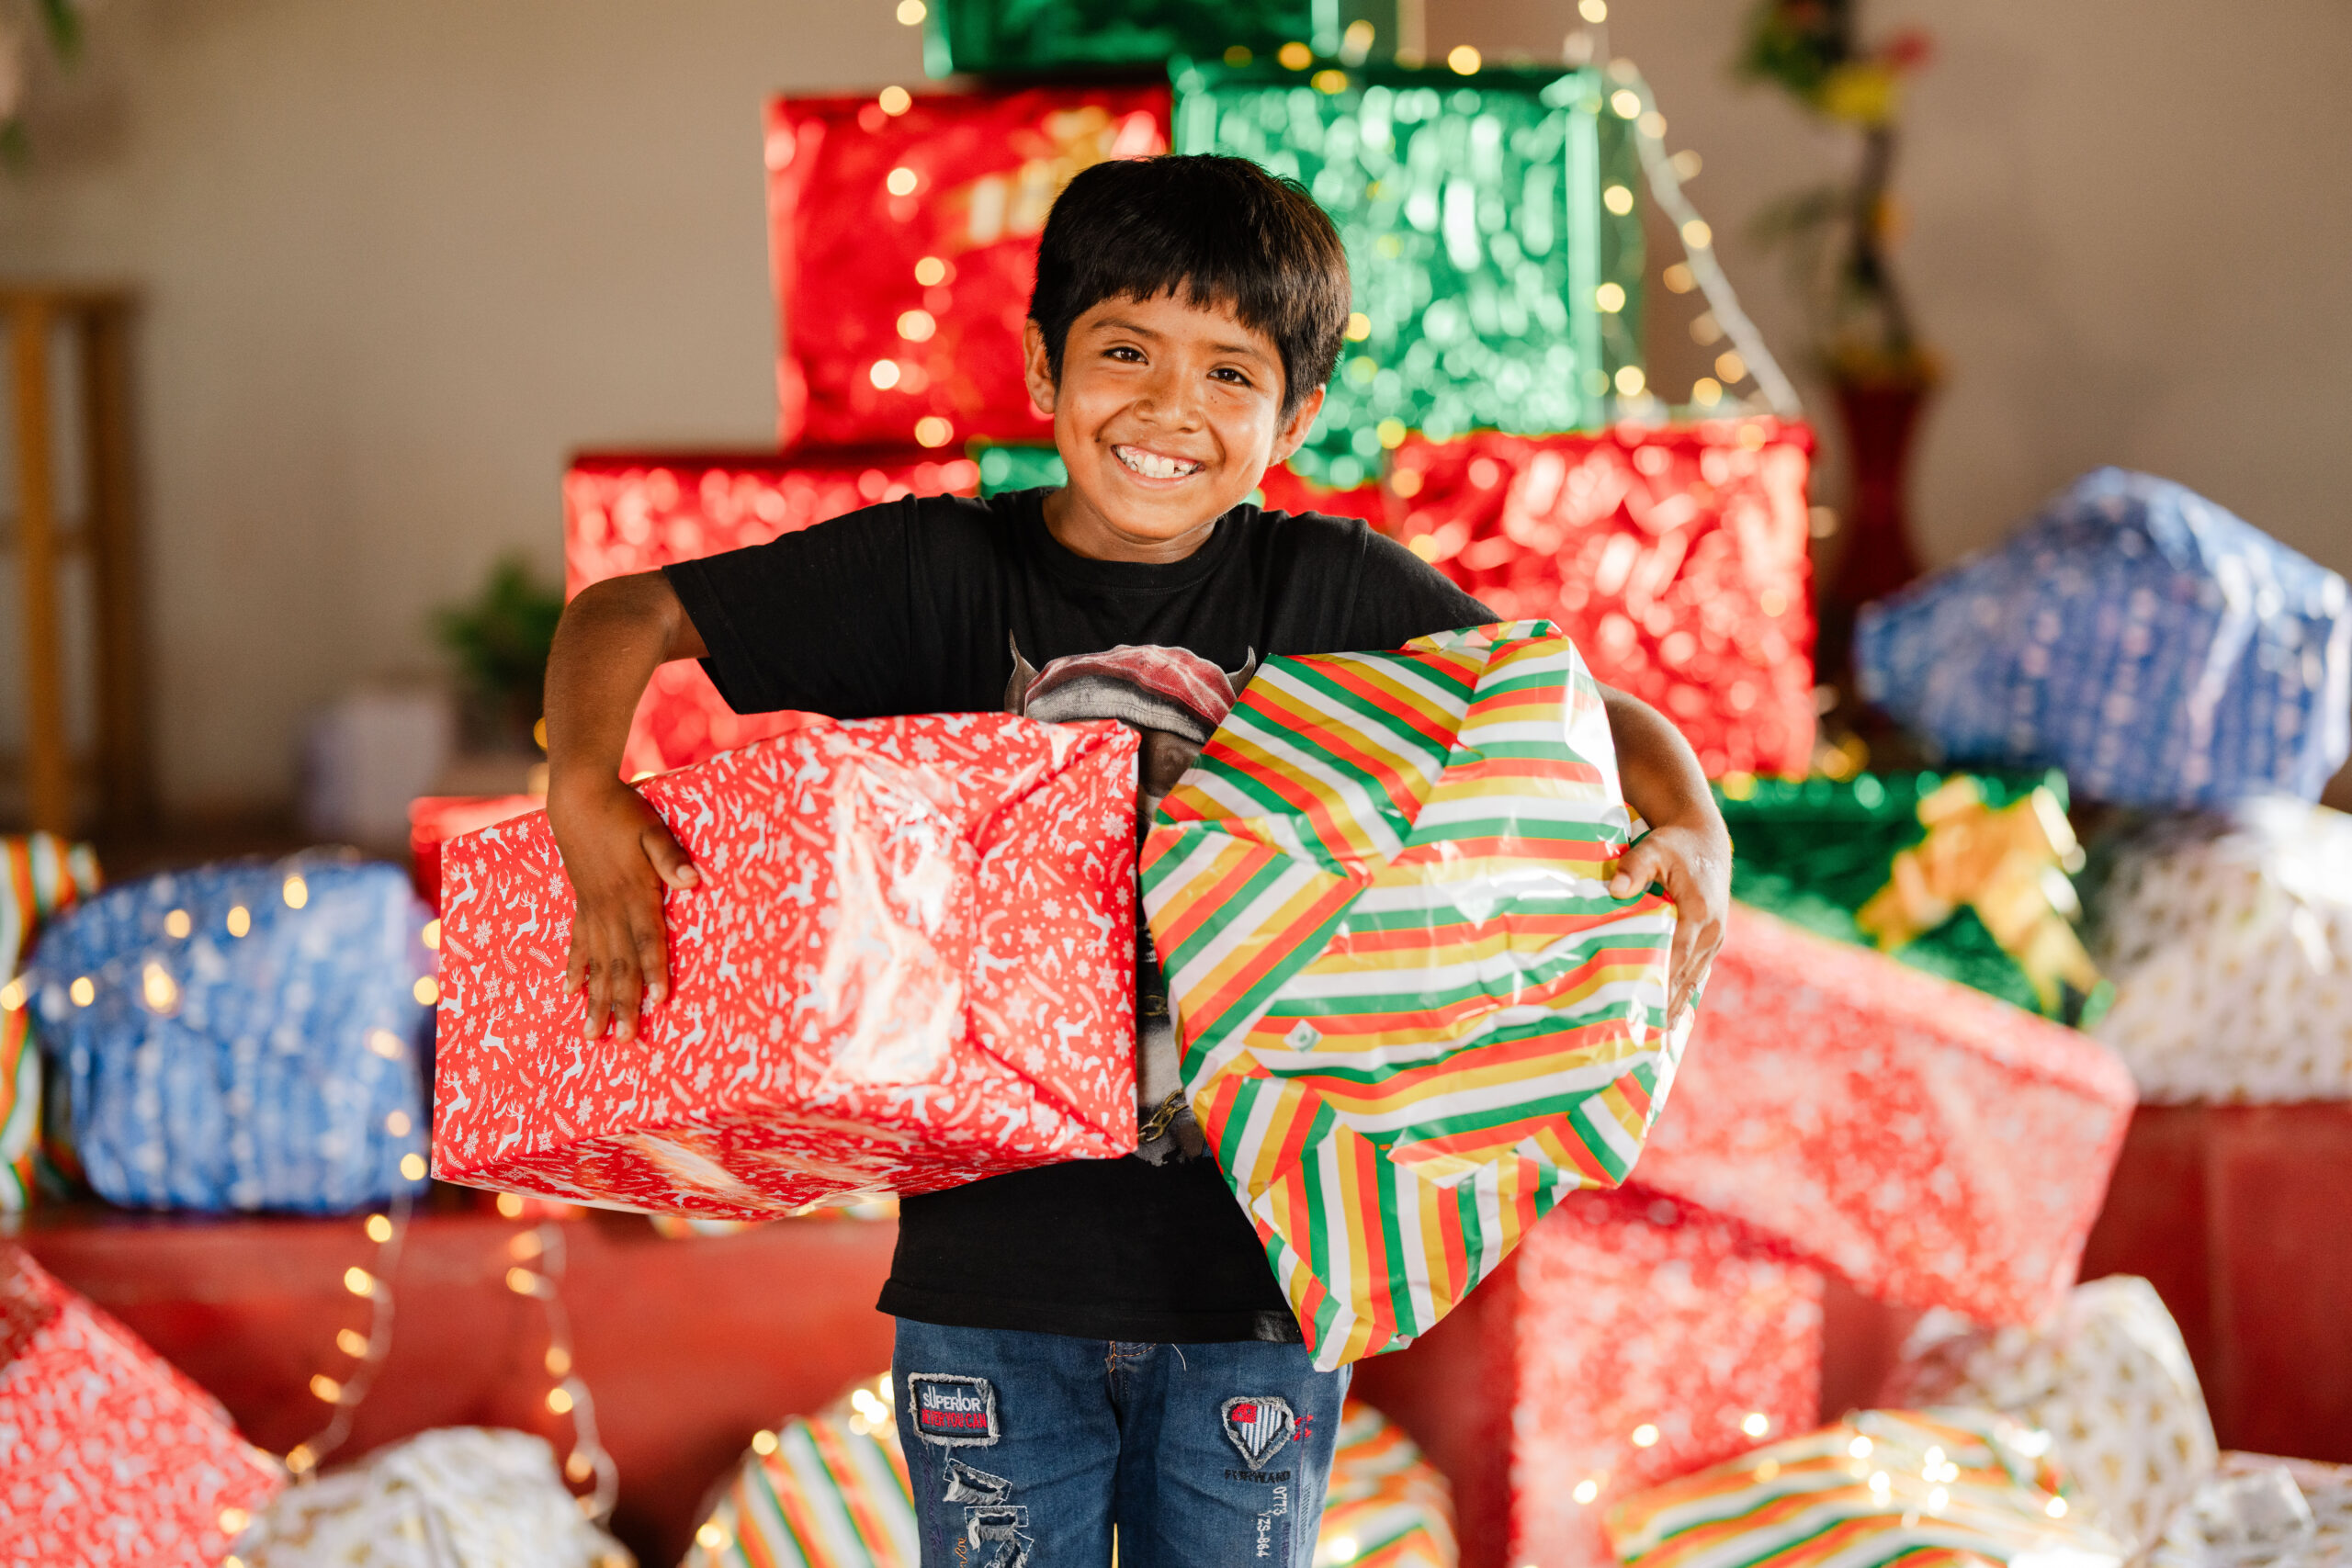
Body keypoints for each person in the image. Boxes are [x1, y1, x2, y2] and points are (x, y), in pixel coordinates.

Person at [542, 153, 1731, 1568]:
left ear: (1300, 411)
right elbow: (628, 613)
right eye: (1126, 353)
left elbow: (1584, 712)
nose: (1172, 409)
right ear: (1045, 363)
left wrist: (1697, 830)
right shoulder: (943, 576)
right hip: (991, 1280)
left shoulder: (1329, 589)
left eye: (1233, 374)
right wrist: (582, 791)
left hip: (1261, 1282)